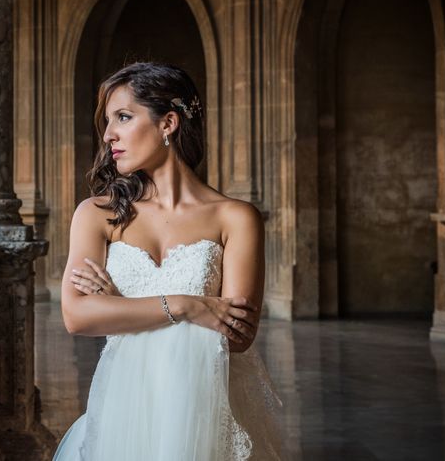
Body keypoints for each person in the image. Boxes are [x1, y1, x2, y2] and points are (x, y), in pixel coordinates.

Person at [54, 63, 284, 460]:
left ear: (169, 123)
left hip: (204, 410)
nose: (109, 134)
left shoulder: (235, 218)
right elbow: (77, 316)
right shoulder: (96, 214)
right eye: (108, 121)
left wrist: (120, 307)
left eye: (123, 117)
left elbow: (239, 335)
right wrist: (186, 305)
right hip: (123, 413)